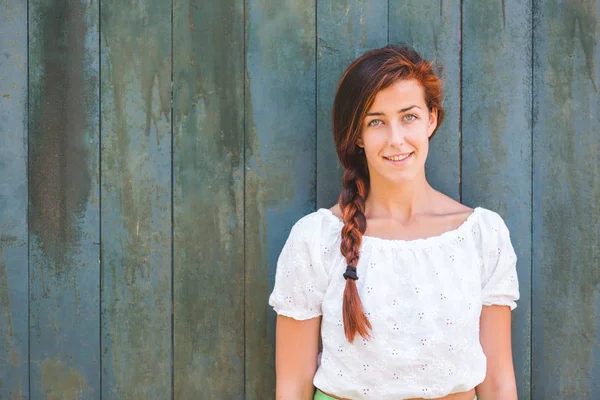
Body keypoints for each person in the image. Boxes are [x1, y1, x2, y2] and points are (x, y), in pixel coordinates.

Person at [268, 44, 520, 400]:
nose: (395, 139)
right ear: (358, 135)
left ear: (432, 118)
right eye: (376, 122)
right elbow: (292, 387)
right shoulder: (316, 239)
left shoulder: (482, 236)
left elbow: (497, 383)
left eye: (409, 116)